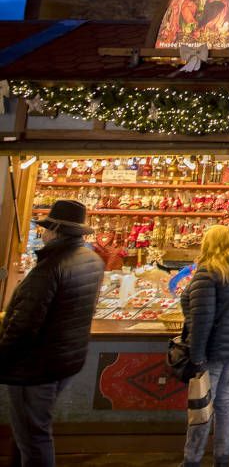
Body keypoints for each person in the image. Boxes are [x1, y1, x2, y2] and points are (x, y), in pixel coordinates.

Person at [0, 199, 104, 467]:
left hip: (34, 367)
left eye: (45, 228)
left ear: (56, 230)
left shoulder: (49, 268)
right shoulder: (91, 260)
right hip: (65, 361)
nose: (42, 233)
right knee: (30, 429)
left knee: (34, 438)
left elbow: (23, 326)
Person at [181, 225, 229, 467]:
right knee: (225, 400)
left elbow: (202, 319)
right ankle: (223, 456)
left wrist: (196, 355)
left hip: (212, 349)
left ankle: (192, 459)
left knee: (201, 405)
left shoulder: (208, 273)